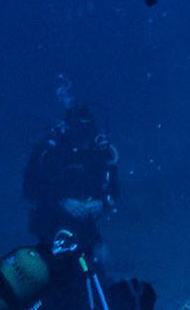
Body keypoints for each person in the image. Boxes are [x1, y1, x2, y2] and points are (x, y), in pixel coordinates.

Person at [23, 105, 119, 257]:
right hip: (50, 219)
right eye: (78, 128)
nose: (82, 134)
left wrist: (102, 203)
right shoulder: (50, 151)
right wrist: (62, 201)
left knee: (99, 258)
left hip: (85, 224)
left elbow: (112, 188)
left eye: (87, 128)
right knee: (55, 261)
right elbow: (30, 187)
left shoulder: (100, 151)